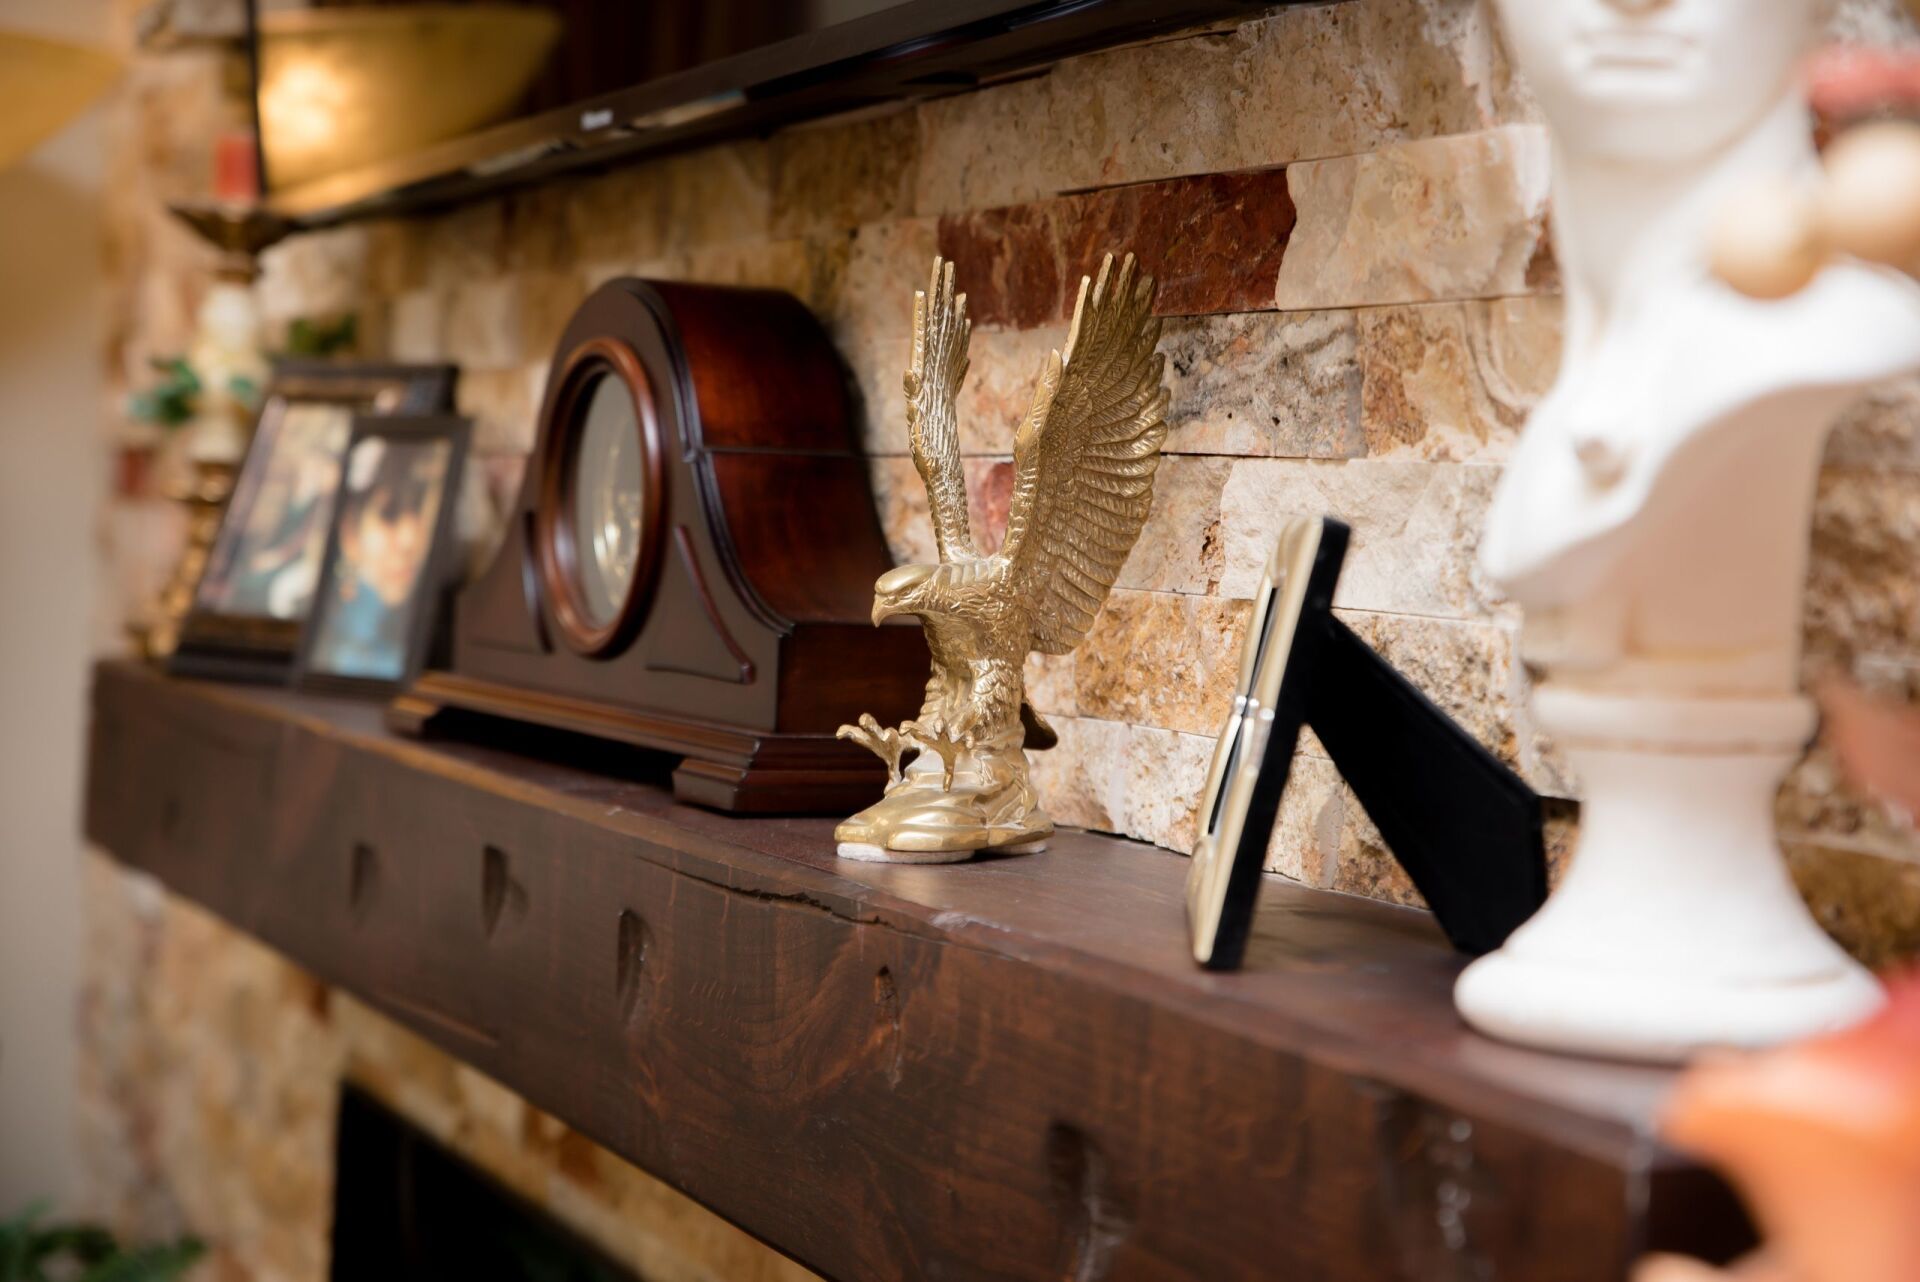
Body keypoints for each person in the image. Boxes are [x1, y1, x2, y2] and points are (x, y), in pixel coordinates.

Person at [312, 437, 448, 681]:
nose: (409, 539)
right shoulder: (339, 647)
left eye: (420, 510)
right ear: (349, 531)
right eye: (389, 515)